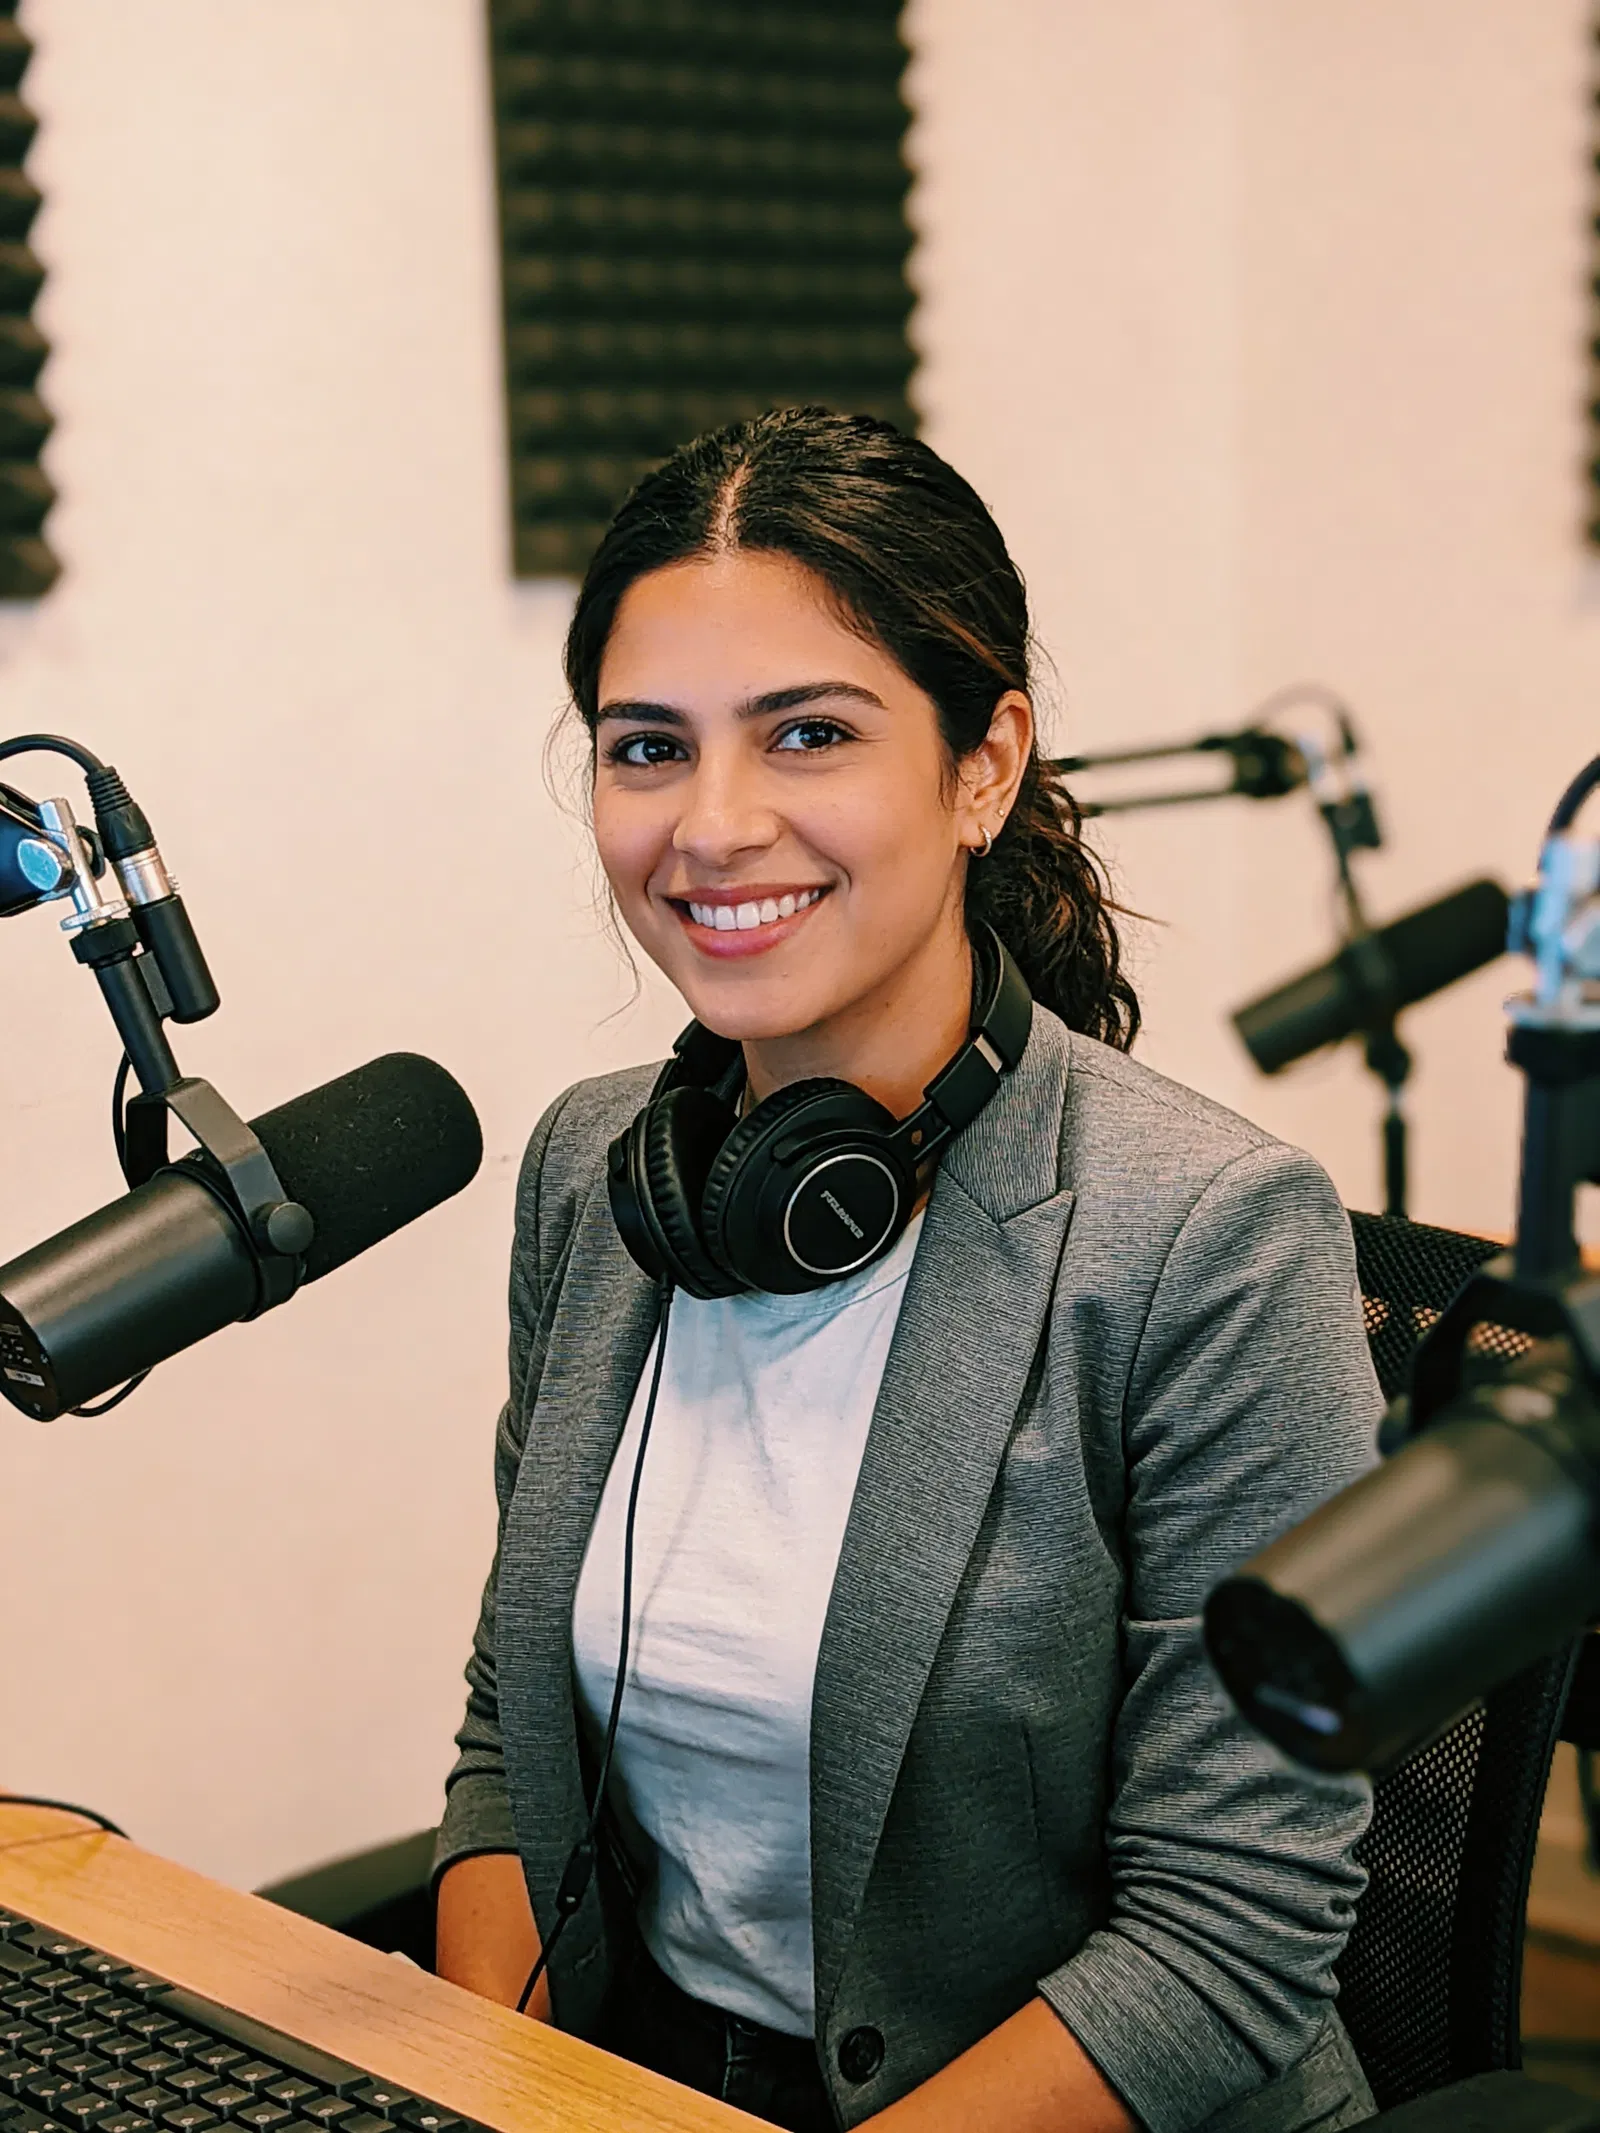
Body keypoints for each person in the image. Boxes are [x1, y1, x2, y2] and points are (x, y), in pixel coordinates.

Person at [431, 409, 1382, 2133]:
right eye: (647, 747)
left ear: (982, 765)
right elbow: (515, 1747)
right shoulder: (597, 1175)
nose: (711, 826)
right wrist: (491, 2098)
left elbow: (1224, 1937)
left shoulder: (1207, 1242)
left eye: (806, 734)